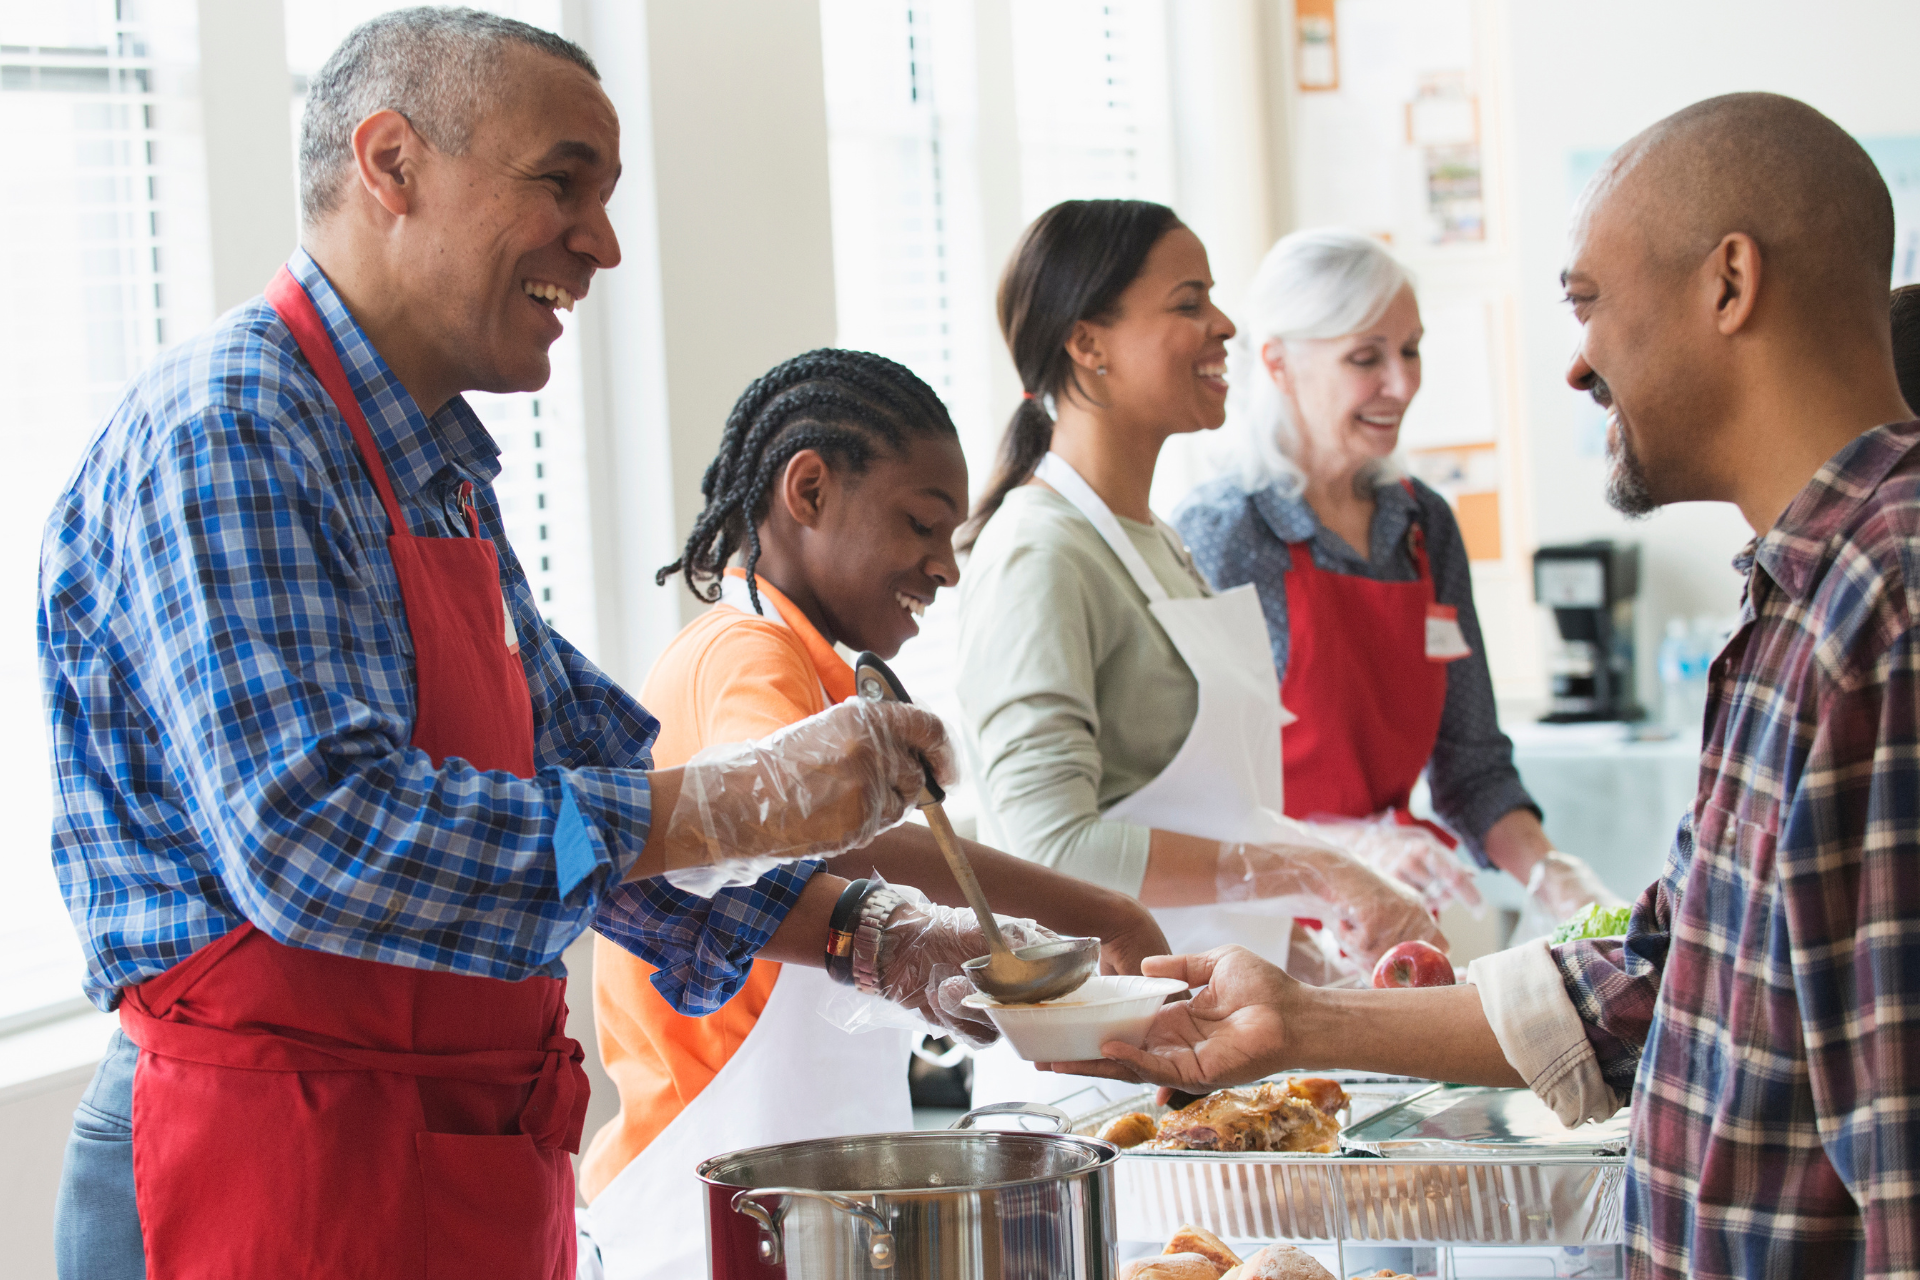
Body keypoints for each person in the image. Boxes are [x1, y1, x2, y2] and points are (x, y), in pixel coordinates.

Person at [40, 13, 971, 1280]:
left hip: (440, 1145)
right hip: (269, 1156)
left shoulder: (440, 472)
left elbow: (586, 776)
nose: (602, 242)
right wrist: (737, 798)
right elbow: (319, 840)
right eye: (562, 181)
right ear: (391, 164)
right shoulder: (234, 430)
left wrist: (879, 934)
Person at [1045, 93, 1920, 1280]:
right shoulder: (1795, 595)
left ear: (1729, 283)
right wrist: (1299, 1018)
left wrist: (1523, 867)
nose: (1576, 361)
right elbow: (1674, 969)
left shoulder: (1885, 601)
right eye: (1370, 354)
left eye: (1589, 303)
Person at [578, 348, 1169, 1280]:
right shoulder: (743, 650)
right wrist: (1101, 914)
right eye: (920, 526)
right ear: (806, 490)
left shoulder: (800, 661)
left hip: (791, 1189)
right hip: (705, 1205)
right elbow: (805, 842)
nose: (945, 567)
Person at [953, 199, 1444, 1107]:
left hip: (1201, 1053)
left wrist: (1308, 970)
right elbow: (1050, 845)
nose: (1223, 326)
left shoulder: (1157, 542)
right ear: (1088, 343)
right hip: (1104, 1080)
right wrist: (1315, 868)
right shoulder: (1041, 551)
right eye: (1189, 303)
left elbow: (1213, 824)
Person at [1173, 228, 1616, 920]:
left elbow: (1473, 770)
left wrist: (1562, 882)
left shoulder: (1422, 527)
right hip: (1256, 926)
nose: (1402, 383)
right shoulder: (1221, 532)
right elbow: (1192, 808)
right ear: (1278, 362)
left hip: (1390, 919)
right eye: (1365, 357)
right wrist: (1355, 845)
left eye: (1410, 349)